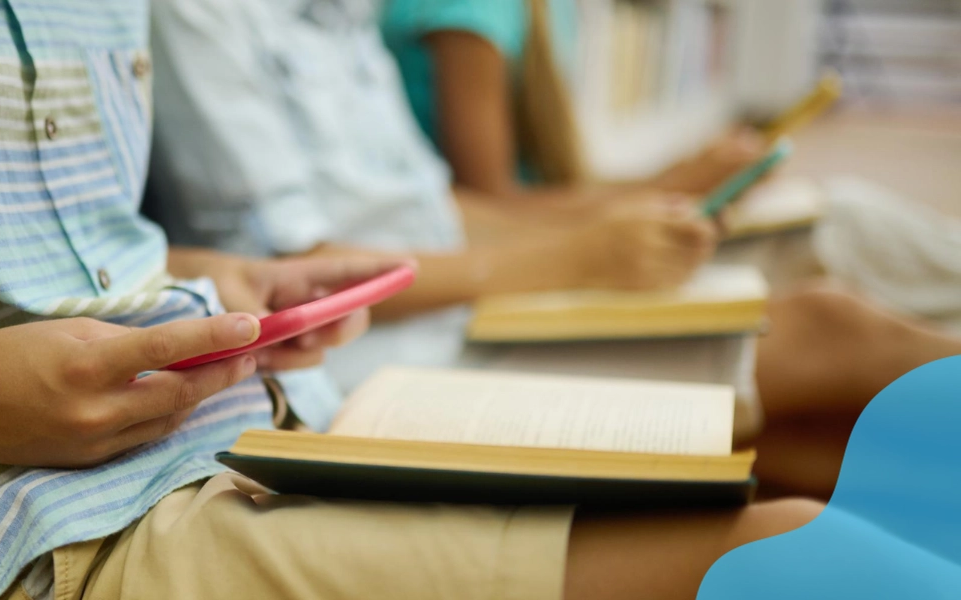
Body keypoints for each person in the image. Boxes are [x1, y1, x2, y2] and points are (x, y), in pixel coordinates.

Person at [0, 1, 826, 599]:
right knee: (794, 546)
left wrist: (230, 276)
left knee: (808, 423)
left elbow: (49, 240)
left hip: (260, 426)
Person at [146, 0, 961, 501]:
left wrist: (605, 230)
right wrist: (573, 257)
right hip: (381, 349)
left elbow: (441, 206)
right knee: (827, 330)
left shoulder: (340, 18)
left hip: (458, 296)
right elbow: (296, 267)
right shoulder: (206, 13)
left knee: (816, 430)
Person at [381, 0, 767, 209]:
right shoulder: (470, 10)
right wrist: (672, 185)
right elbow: (489, 204)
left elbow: (550, 183)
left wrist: (681, 176)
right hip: (494, 242)